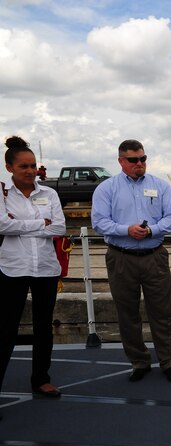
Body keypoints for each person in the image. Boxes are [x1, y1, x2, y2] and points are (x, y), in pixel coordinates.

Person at [91, 139, 171, 383]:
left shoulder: (161, 186)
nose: (139, 163)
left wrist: (151, 230)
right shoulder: (106, 189)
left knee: (163, 312)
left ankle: (169, 361)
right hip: (121, 257)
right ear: (121, 161)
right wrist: (126, 230)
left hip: (154, 256)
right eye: (133, 160)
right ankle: (139, 361)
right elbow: (99, 222)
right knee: (127, 313)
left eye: (143, 158)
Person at [0, 136, 66, 406]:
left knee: (43, 327)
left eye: (33, 166)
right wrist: (40, 223)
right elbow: (2, 226)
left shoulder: (49, 194)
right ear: (9, 168)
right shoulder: (2, 193)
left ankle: (40, 379)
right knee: (5, 329)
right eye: (23, 166)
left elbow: (59, 228)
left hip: (46, 269)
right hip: (12, 269)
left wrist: (22, 223)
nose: (30, 171)